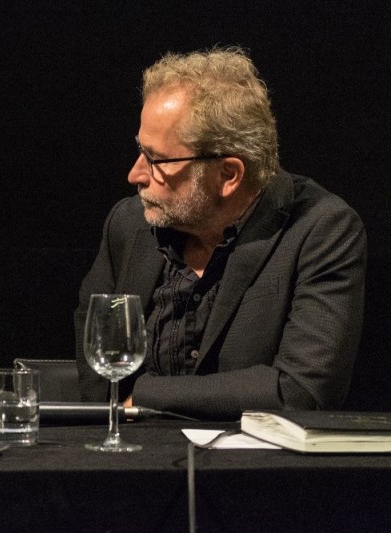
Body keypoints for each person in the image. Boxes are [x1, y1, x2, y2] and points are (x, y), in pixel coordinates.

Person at [75, 47, 366, 420]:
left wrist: (145, 396)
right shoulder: (129, 224)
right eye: (140, 151)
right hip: (132, 448)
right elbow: (97, 359)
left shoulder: (322, 230)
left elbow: (301, 390)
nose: (135, 174)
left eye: (156, 159)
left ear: (228, 175)